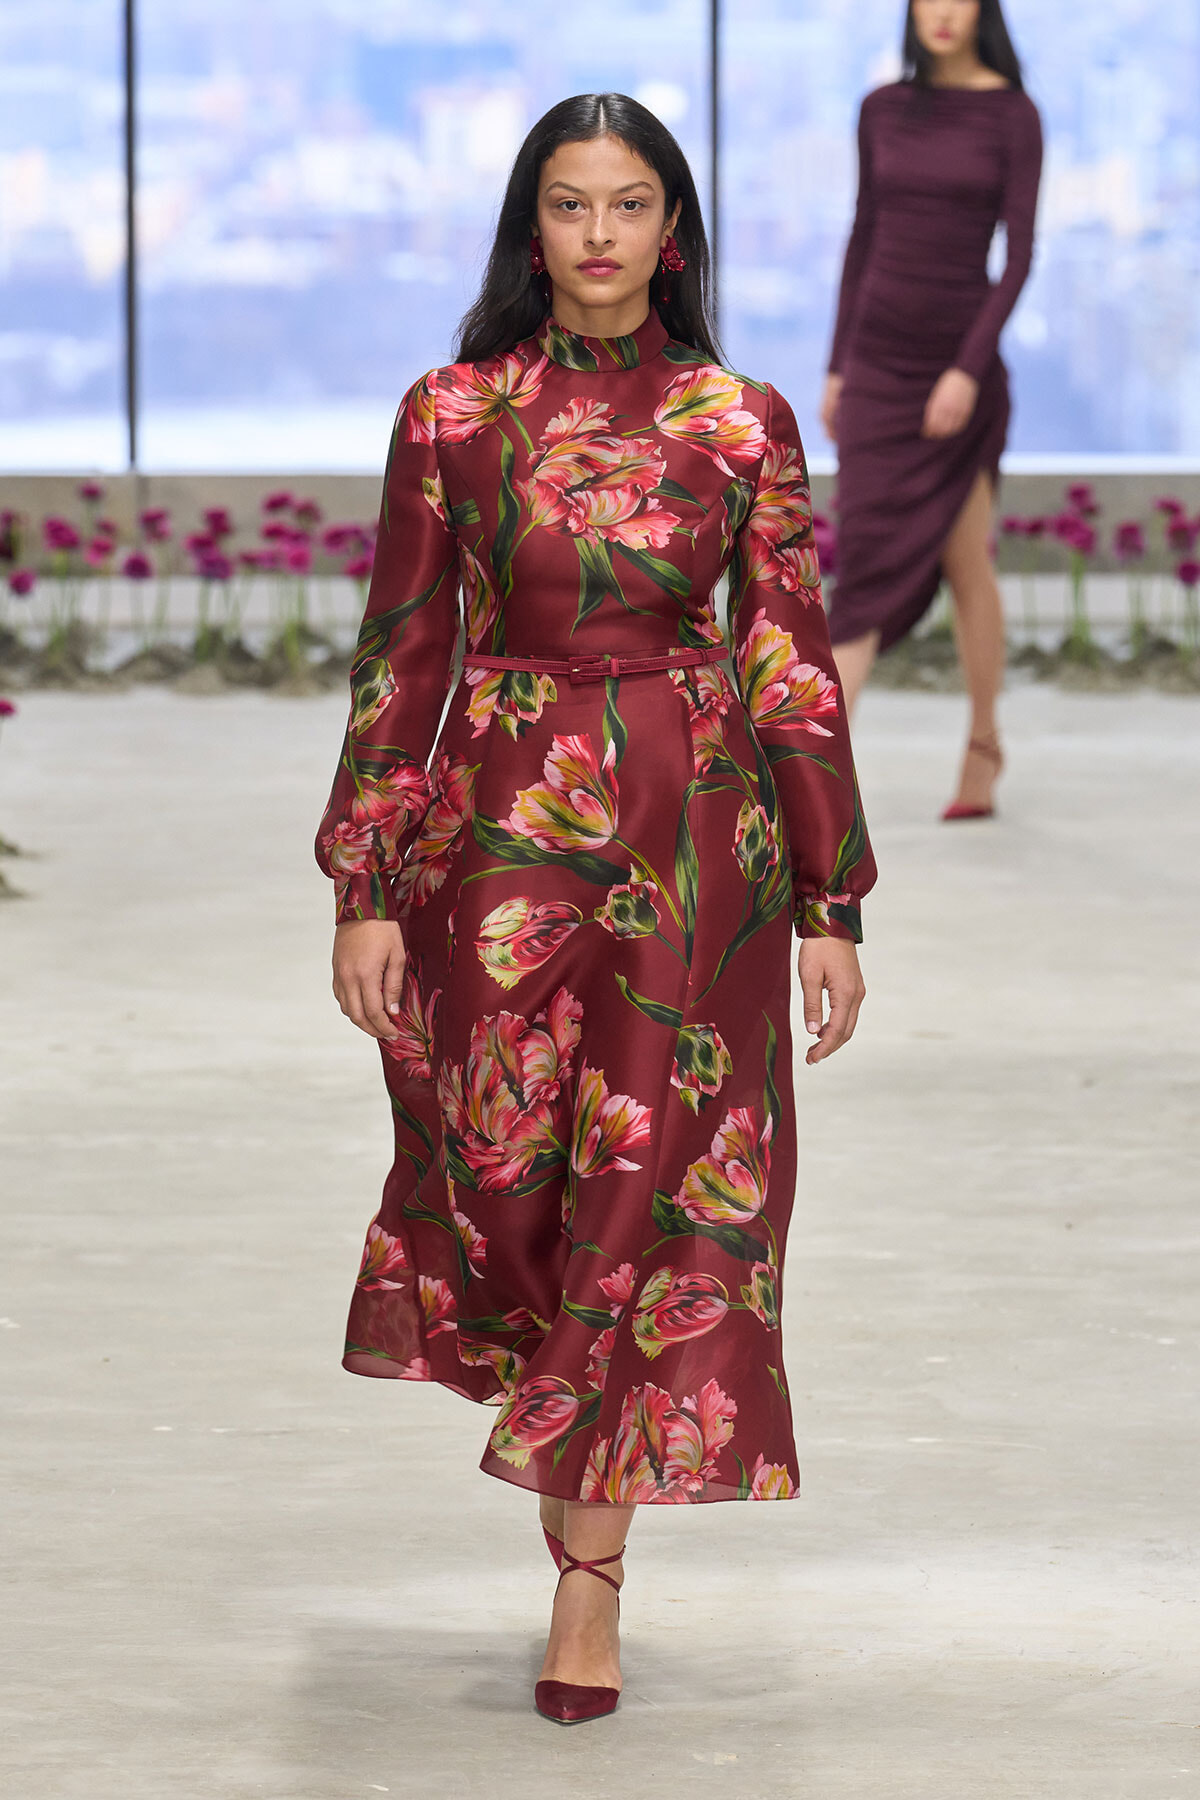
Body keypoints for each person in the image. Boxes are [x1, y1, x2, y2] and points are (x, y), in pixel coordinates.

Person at [315, 92, 876, 1725]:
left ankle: (591, 1577)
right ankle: (570, 1454)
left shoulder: (736, 417)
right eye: (572, 205)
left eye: (631, 204)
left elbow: (786, 656)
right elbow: (399, 649)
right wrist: (365, 882)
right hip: (491, 839)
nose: (603, 234)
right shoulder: (453, 412)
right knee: (501, 1178)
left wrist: (831, 895)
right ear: (533, 228)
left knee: (654, 1183)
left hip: (699, 839)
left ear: (672, 229)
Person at [821, 0, 1042, 819]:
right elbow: (862, 234)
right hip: (877, 366)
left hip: (960, 369)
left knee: (965, 563)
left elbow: (1017, 258)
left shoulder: (1014, 115)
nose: (941, 11)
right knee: (867, 562)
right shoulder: (880, 109)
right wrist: (838, 366)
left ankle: (984, 739)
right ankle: (815, 782)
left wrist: (966, 371)